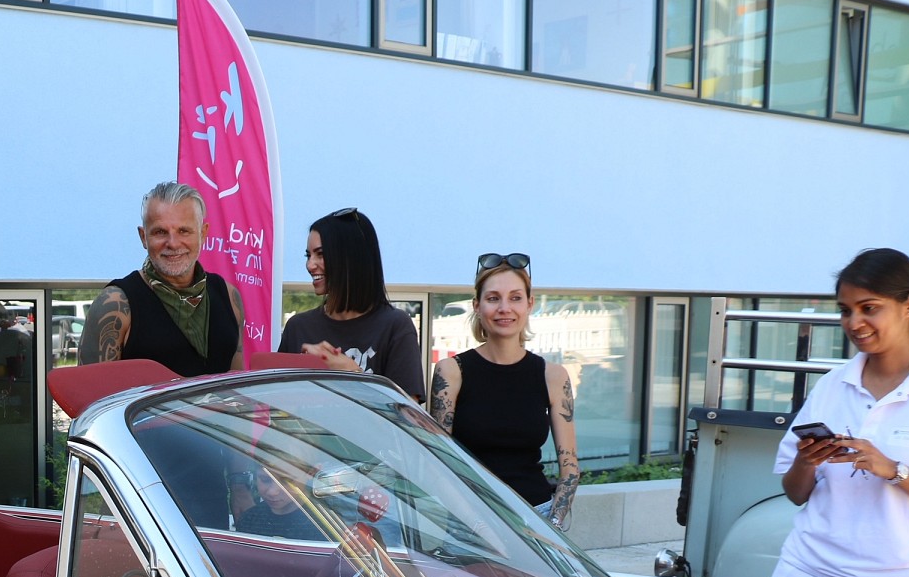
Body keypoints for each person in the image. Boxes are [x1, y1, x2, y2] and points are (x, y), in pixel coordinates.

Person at [769, 247, 909, 577]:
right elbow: (795, 494)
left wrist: (893, 469)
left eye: (869, 308)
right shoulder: (832, 385)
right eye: (845, 310)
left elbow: (894, 471)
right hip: (805, 576)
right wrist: (806, 462)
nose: (854, 322)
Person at [428, 253, 579, 529]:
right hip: (469, 522)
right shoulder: (451, 372)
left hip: (537, 519)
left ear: (530, 304)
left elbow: (570, 468)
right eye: (493, 298)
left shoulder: (554, 376)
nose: (505, 308)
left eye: (515, 298)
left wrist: (553, 526)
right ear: (477, 305)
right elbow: (439, 461)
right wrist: (469, 521)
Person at [82, 182, 244, 377]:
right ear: (143, 237)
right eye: (160, 232)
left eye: (184, 231)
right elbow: (89, 391)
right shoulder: (116, 304)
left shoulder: (228, 295)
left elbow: (239, 384)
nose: (173, 243)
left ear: (203, 233)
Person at [277, 208, 424, 401]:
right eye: (308, 255)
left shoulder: (395, 326)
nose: (310, 265)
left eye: (320, 254)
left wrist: (352, 373)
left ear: (351, 258)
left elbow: (406, 414)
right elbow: (277, 404)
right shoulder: (298, 327)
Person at [234, 465, 320, 539]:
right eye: (265, 480)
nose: (272, 492)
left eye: (286, 481)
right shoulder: (249, 520)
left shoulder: (322, 523)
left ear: (311, 473)